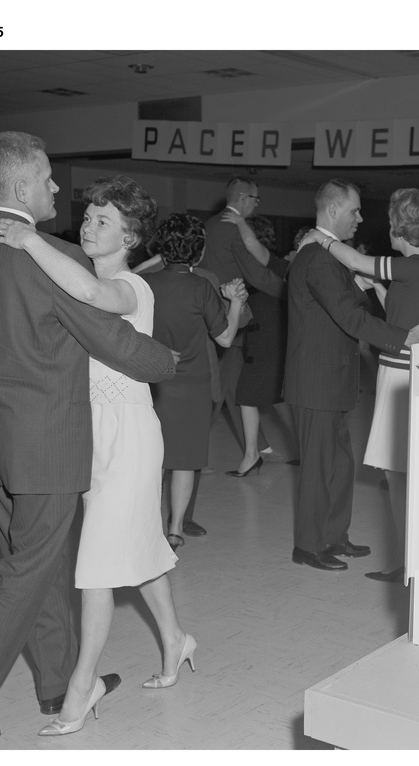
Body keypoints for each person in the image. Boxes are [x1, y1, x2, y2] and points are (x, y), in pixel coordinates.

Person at [0, 132, 176, 749]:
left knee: (36, 562)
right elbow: (107, 335)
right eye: (49, 177)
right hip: (47, 441)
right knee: (29, 567)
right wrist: (166, 361)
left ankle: (57, 684)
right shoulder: (53, 254)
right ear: (23, 185)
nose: (58, 187)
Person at [0, 176, 198, 734]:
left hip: (127, 435)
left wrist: (29, 238)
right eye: (87, 216)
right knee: (135, 546)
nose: (87, 225)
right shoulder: (71, 275)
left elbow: (90, 294)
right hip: (87, 432)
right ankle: (176, 639)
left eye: (103, 221)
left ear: (130, 238)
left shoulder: (133, 287)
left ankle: (82, 687)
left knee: (98, 564)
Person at [284, 179, 419, 570]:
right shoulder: (318, 258)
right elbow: (349, 316)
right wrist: (402, 338)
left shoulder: (329, 256)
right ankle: (309, 545)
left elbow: (351, 304)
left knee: (339, 465)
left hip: (331, 378)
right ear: (333, 210)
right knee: (319, 467)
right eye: (354, 210)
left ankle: (334, 536)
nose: (360, 218)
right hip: (316, 379)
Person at [138, 213, 248, 547]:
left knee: (153, 461)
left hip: (153, 383)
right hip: (194, 385)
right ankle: (174, 530)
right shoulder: (201, 287)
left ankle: (148, 529)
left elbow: (124, 281)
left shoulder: (146, 284)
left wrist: (158, 258)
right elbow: (225, 338)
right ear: (199, 253)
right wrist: (235, 303)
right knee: (185, 462)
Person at [202, 177, 286, 455]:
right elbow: (256, 273)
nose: (256, 204)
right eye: (255, 199)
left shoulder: (210, 224)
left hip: (208, 311)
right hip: (232, 315)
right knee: (223, 386)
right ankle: (190, 449)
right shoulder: (232, 228)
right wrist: (290, 292)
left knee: (230, 383)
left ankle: (256, 448)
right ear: (243, 198)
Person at [221, 212, 299, 476]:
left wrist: (239, 221)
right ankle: (276, 451)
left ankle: (253, 455)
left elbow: (252, 245)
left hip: (268, 337)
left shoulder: (275, 265)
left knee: (248, 393)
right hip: (264, 335)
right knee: (273, 395)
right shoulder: (264, 266)